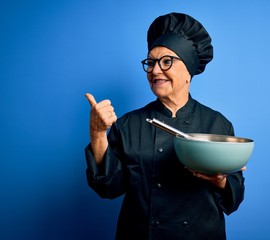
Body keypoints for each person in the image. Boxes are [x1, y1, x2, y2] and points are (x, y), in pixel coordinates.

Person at [84, 12, 245, 240]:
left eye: (166, 61)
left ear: (189, 69)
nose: (155, 70)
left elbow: (234, 199)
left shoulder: (217, 124)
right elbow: (108, 188)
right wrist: (98, 133)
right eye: (150, 62)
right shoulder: (129, 124)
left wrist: (221, 181)